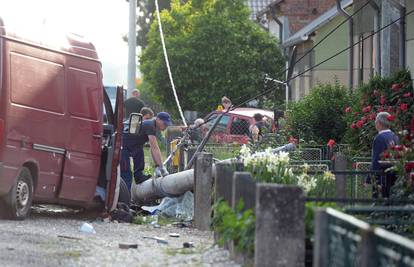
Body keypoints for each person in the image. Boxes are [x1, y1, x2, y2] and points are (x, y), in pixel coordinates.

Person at [120, 112, 172, 190]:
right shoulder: (150, 125)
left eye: (167, 125)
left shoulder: (153, 126)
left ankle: (139, 177)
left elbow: (152, 149)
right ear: (158, 119)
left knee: (140, 153)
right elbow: (154, 147)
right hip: (122, 145)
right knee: (126, 174)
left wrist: (157, 166)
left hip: (134, 145)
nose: (165, 126)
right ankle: (125, 198)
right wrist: (162, 168)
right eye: (164, 123)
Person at [367, 112, 399, 198]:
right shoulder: (395, 136)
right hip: (394, 175)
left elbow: (376, 160)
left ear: (379, 123)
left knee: (379, 202)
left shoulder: (379, 138)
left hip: (382, 177)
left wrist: (371, 179)